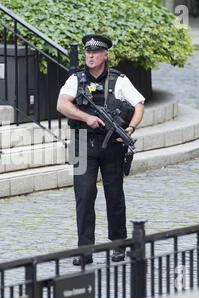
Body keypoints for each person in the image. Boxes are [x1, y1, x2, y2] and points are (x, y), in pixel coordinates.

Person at [57, 34, 145, 265]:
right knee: (84, 197)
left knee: (114, 195)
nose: (91, 56)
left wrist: (132, 127)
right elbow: (62, 104)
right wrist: (86, 117)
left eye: (96, 52)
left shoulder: (119, 80)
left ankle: (118, 245)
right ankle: (85, 250)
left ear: (105, 55)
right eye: (88, 52)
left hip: (111, 145)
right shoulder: (76, 79)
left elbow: (139, 104)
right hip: (81, 142)